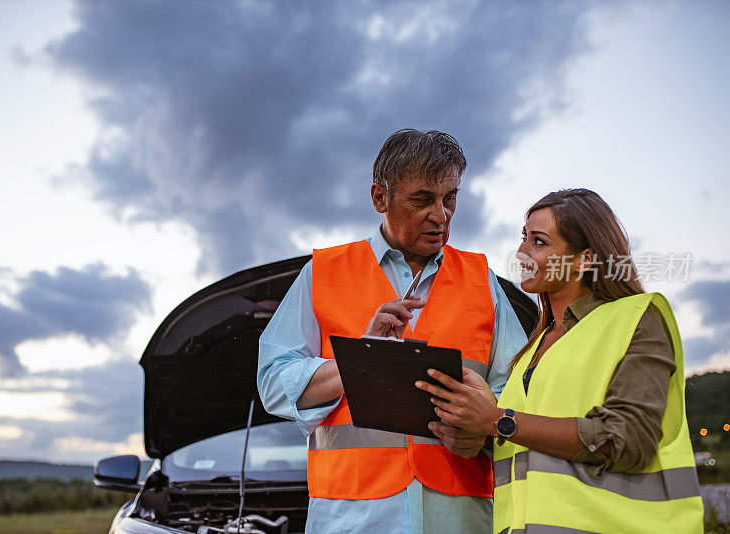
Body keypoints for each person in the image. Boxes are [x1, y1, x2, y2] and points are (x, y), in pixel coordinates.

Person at [257, 129, 527, 534]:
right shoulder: (323, 273)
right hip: (351, 519)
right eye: (423, 200)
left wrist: (484, 430)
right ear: (380, 198)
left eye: (450, 198)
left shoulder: (481, 279)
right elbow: (273, 383)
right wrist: (360, 359)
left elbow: (522, 391)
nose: (442, 215)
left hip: (461, 519)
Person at [417, 188, 704, 533]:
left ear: (584, 259)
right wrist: (480, 437)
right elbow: (533, 449)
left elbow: (628, 439)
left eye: (539, 242)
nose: (521, 252)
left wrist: (496, 420)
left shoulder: (637, 317)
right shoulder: (530, 352)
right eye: (523, 239)